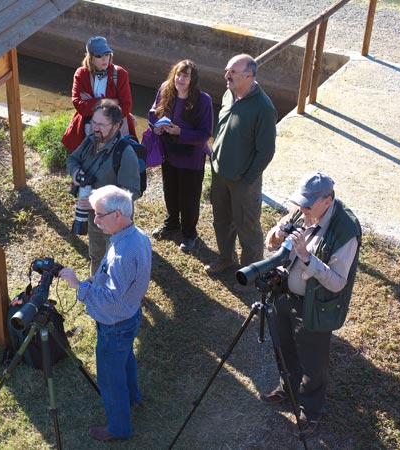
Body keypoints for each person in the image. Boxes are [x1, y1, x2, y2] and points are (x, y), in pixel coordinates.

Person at [258, 172, 361, 438]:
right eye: (301, 204)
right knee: (285, 347)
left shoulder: (345, 230)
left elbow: (338, 282)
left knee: (313, 362)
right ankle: (288, 388)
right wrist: (277, 234)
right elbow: (271, 241)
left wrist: (306, 257)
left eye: (308, 205)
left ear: (327, 201)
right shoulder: (300, 211)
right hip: (284, 295)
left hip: (315, 306)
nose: (301, 210)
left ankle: (311, 410)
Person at [59, 185, 151, 442]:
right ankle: (133, 398)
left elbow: (111, 299)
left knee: (110, 379)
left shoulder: (122, 255)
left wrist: (80, 286)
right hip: (129, 316)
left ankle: (119, 428)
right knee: (126, 360)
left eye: (99, 215)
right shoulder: (137, 237)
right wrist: (98, 279)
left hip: (114, 323)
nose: (95, 220)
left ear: (118, 215)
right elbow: (120, 281)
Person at [205, 54, 277, 275]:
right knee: (222, 220)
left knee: (247, 227)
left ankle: (251, 272)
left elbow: (266, 151)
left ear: (249, 76)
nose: (226, 75)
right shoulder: (229, 94)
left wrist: (248, 179)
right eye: (227, 70)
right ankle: (226, 258)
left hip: (244, 181)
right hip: (220, 173)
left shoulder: (263, 108)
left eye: (232, 72)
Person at [66, 99, 141, 275]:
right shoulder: (91, 140)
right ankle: (96, 289)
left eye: (101, 124)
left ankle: (116, 294)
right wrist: (75, 171)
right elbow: (73, 159)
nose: (95, 128)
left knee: (115, 262)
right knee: (96, 256)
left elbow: (132, 193)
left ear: (115, 126)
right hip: (95, 218)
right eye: (93, 122)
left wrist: (97, 202)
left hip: (116, 221)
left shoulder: (125, 154)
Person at [148, 59, 214, 253]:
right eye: (178, 74)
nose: (180, 79)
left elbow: (205, 133)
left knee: (189, 198)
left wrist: (180, 132)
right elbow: (153, 113)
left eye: (185, 76)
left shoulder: (204, 100)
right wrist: (157, 127)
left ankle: (189, 233)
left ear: (193, 80)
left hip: (191, 158)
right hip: (169, 152)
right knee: (170, 191)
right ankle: (172, 223)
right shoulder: (165, 90)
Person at [61, 36, 137, 153]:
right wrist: (111, 102)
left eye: (107, 54)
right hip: (88, 129)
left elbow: (126, 107)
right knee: (88, 161)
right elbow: (79, 105)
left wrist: (91, 102)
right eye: (99, 56)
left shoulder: (121, 74)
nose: (104, 59)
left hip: (114, 129)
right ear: (90, 57)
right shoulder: (81, 74)